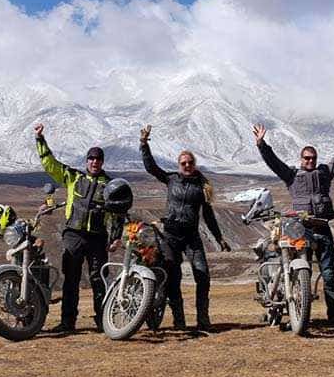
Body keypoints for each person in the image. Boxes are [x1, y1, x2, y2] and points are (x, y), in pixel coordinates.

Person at [253, 116, 334, 322]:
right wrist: (261, 144)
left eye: (312, 158)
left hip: (322, 228)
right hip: (301, 230)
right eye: (306, 158)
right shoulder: (292, 175)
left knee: (328, 272)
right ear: (301, 159)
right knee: (303, 270)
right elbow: (274, 163)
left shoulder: (325, 173)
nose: (310, 161)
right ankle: (300, 312)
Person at [139, 125, 230, 332]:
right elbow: (151, 168)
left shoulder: (202, 186)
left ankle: (203, 319)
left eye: (190, 163)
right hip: (170, 235)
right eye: (183, 163)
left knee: (202, 274)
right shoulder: (171, 179)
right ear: (179, 165)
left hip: (191, 236)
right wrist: (144, 144)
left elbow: (208, 215)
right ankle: (178, 320)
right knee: (173, 277)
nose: (187, 165)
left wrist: (219, 238)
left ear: (194, 164)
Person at [33, 122, 120, 333]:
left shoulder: (110, 185)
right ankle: (67, 322)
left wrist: (115, 237)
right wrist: (40, 140)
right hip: (73, 234)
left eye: (98, 159)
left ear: (102, 162)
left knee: (99, 279)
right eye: (91, 158)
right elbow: (50, 165)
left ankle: (103, 321)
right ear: (87, 160)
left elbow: (117, 214)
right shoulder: (74, 177)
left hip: (98, 237)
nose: (94, 162)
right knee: (70, 280)